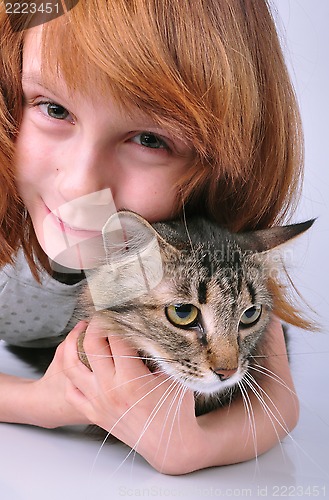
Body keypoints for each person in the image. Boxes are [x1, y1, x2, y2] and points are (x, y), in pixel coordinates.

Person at [0, 0, 308, 474]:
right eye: (55, 108)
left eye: (150, 139)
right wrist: (41, 403)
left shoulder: (199, 245)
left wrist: (191, 447)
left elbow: (279, 400)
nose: (80, 186)